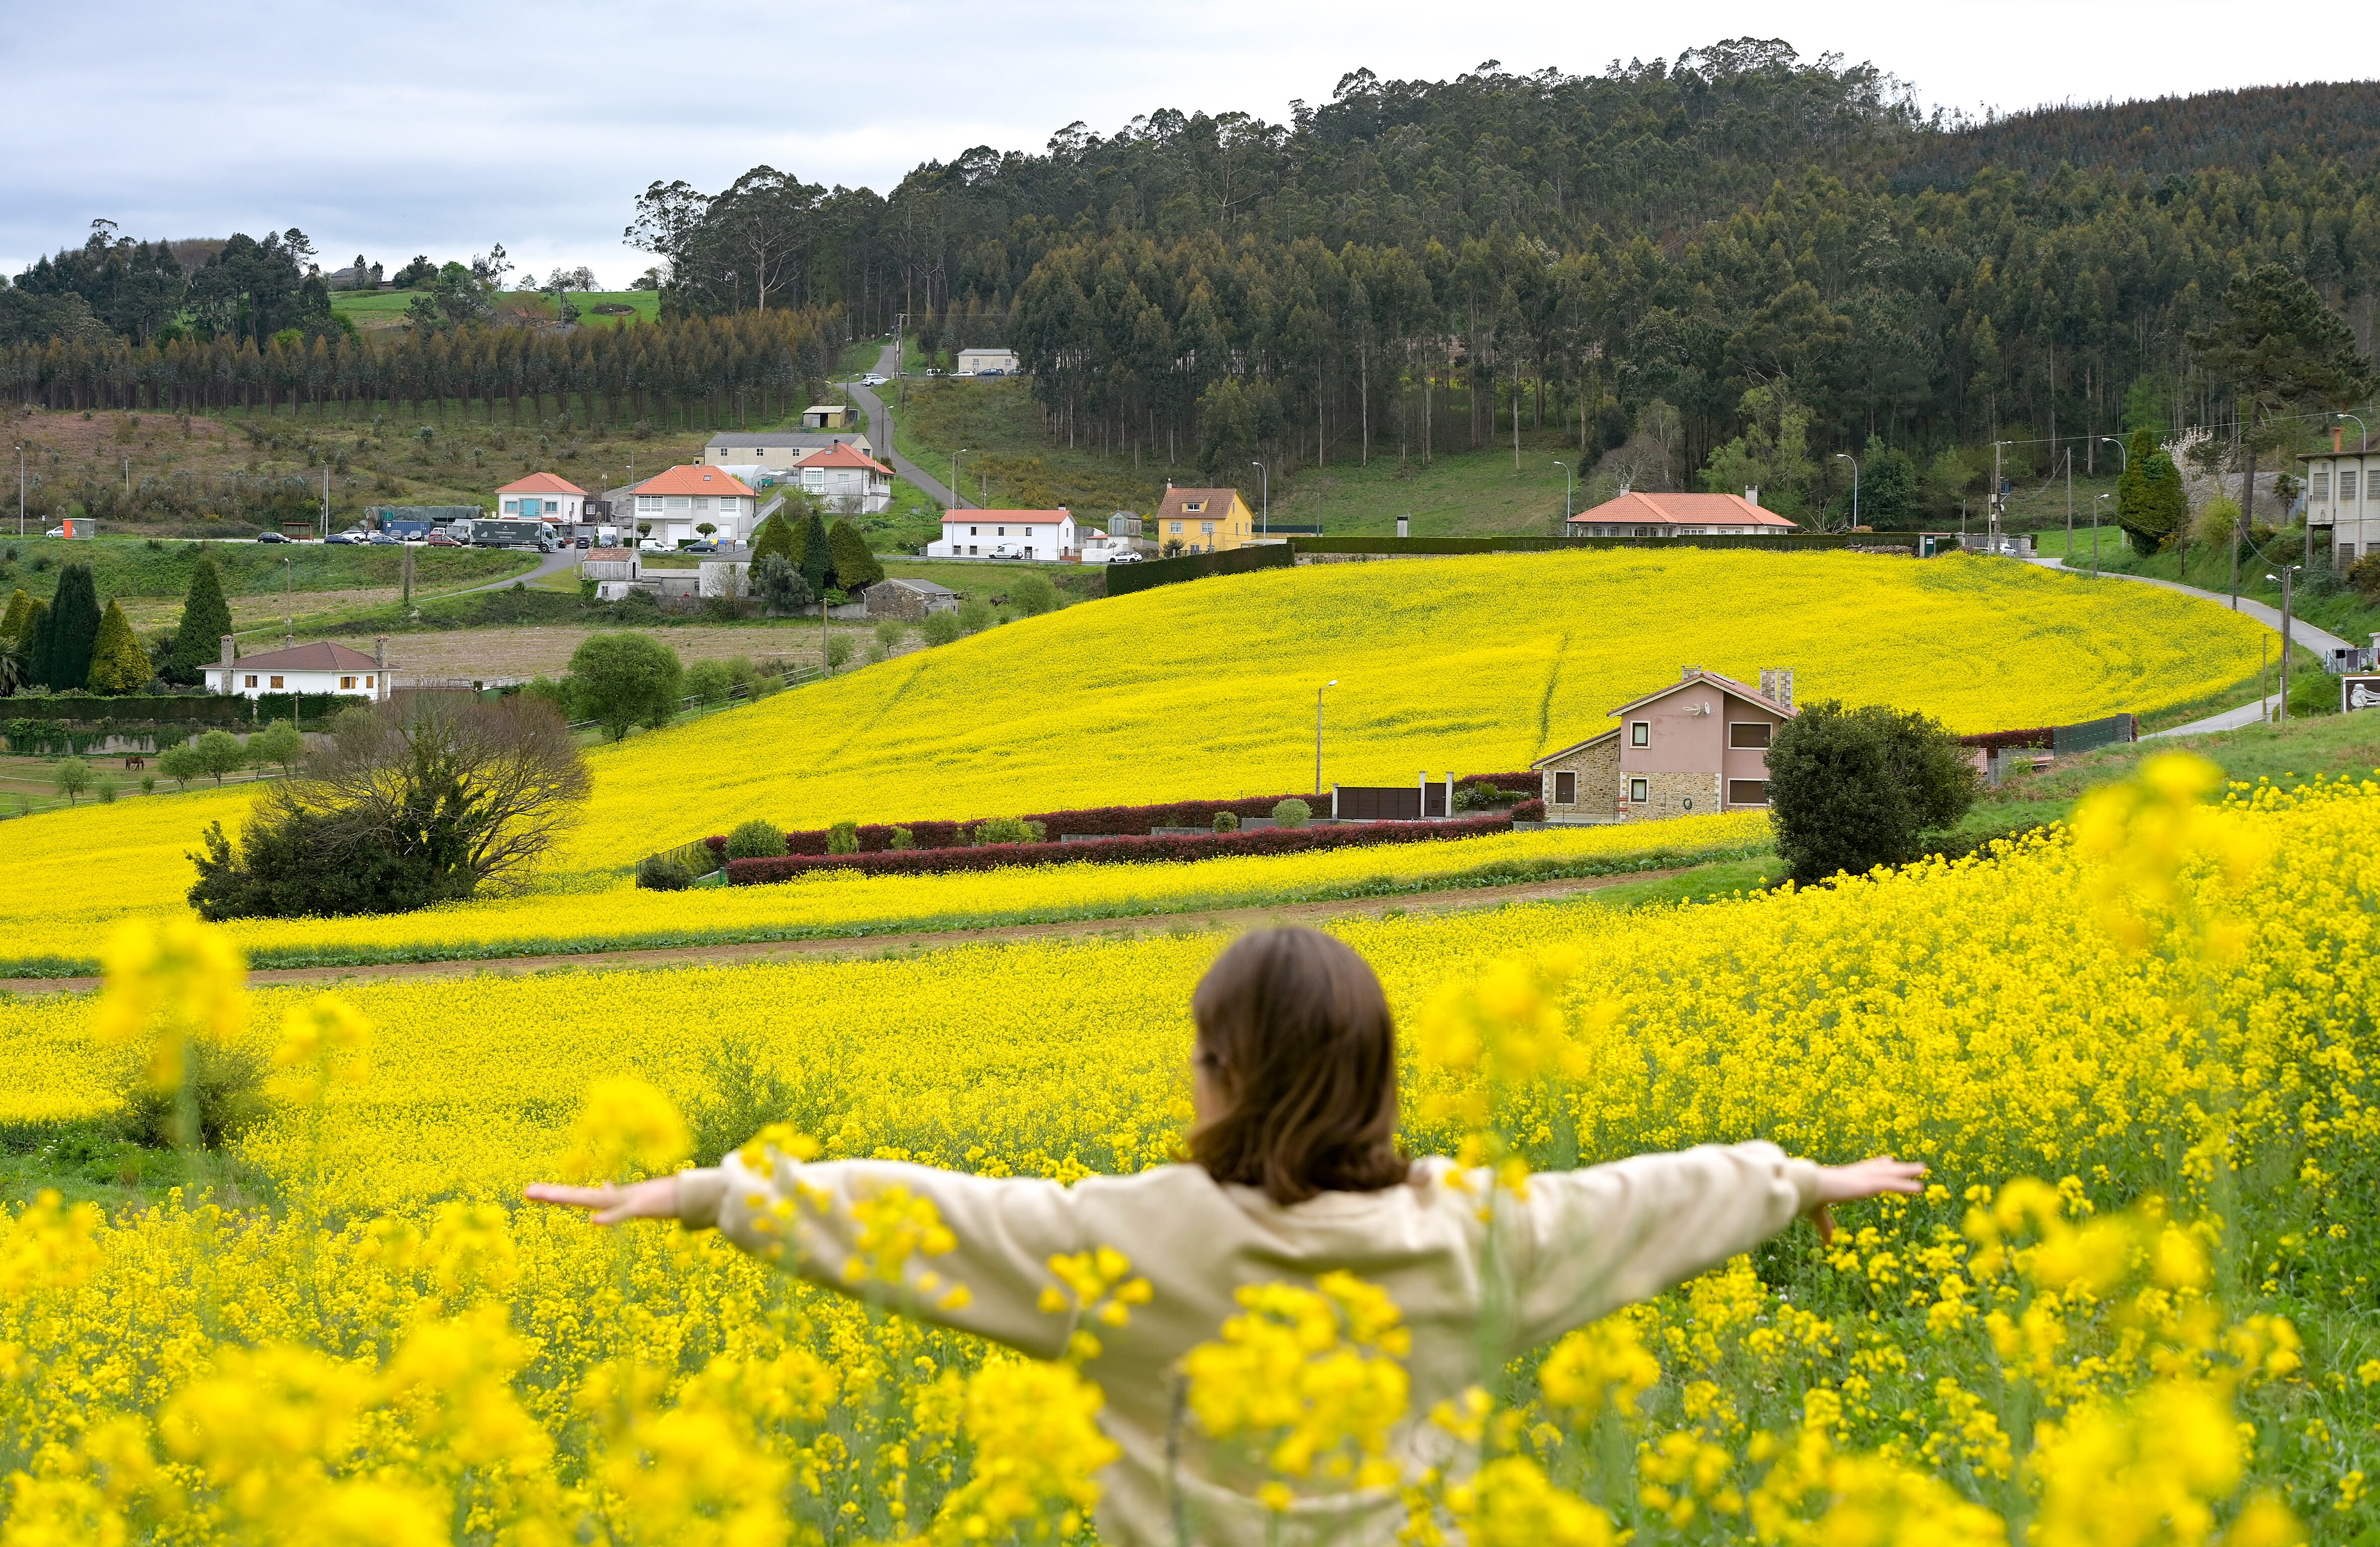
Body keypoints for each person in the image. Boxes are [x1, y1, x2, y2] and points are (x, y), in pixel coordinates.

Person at [530, 926, 1923, 1546]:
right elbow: (1646, 1197)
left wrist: (717, 1193)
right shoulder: (1476, 1239)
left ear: (1217, 1075)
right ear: (1377, 1078)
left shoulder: (1132, 1241)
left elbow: (924, 1212)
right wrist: (1797, 1179)